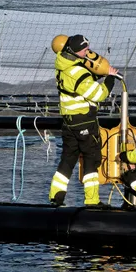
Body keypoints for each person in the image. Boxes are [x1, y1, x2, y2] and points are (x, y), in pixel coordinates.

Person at [48, 34, 119, 207]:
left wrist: (95, 77)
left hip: (69, 121)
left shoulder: (62, 64)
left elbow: (80, 84)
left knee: (68, 158)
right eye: (85, 50)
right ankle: (92, 201)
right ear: (75, 51)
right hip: (83, 120)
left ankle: (55, 198)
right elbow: (99, 94)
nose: (88, 52)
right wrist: (110, 78)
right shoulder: (78, 72)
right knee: (91, 158)